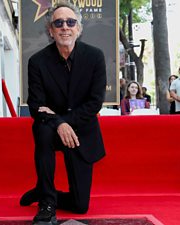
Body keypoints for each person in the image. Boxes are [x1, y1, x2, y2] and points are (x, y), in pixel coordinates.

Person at [22, 1, 107, 224]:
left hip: (82, 132)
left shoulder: (95, 57)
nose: (65, 27)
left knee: (80, 206)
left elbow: (94, 102)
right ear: (51, 30)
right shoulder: (37, 62)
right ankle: (47, 203)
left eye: (70, 22)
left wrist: (65, 121)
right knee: (42, 129)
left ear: (78, 28)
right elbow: (36, 105)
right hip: (51, 129)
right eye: (58, 23)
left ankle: (44, 192)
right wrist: (59, 123)